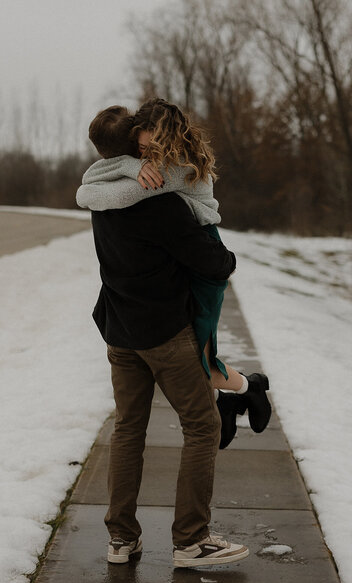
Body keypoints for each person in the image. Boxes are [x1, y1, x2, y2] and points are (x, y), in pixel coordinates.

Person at [76, 102, 250, 568]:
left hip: (120, 332)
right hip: (165, 335)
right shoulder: (162, 202)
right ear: (136, 145)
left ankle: (121, 540)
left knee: (128, 429)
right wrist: (230, 259)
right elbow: (212, 263)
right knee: (203, 426)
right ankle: (191, 541)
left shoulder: (102, 196)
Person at [76, 99, 271, 449]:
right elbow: (89, 189)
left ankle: (248, 389)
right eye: (139, 149)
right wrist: (132, 166)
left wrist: (132, 171)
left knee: (200, 365)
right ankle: (235, 397)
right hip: (179, 256)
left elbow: (89, 192)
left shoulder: (179, 171)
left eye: (150, 149)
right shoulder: (144, 170)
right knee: (198, 366)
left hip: (203, 252)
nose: (145, 157)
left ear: (170, 142)